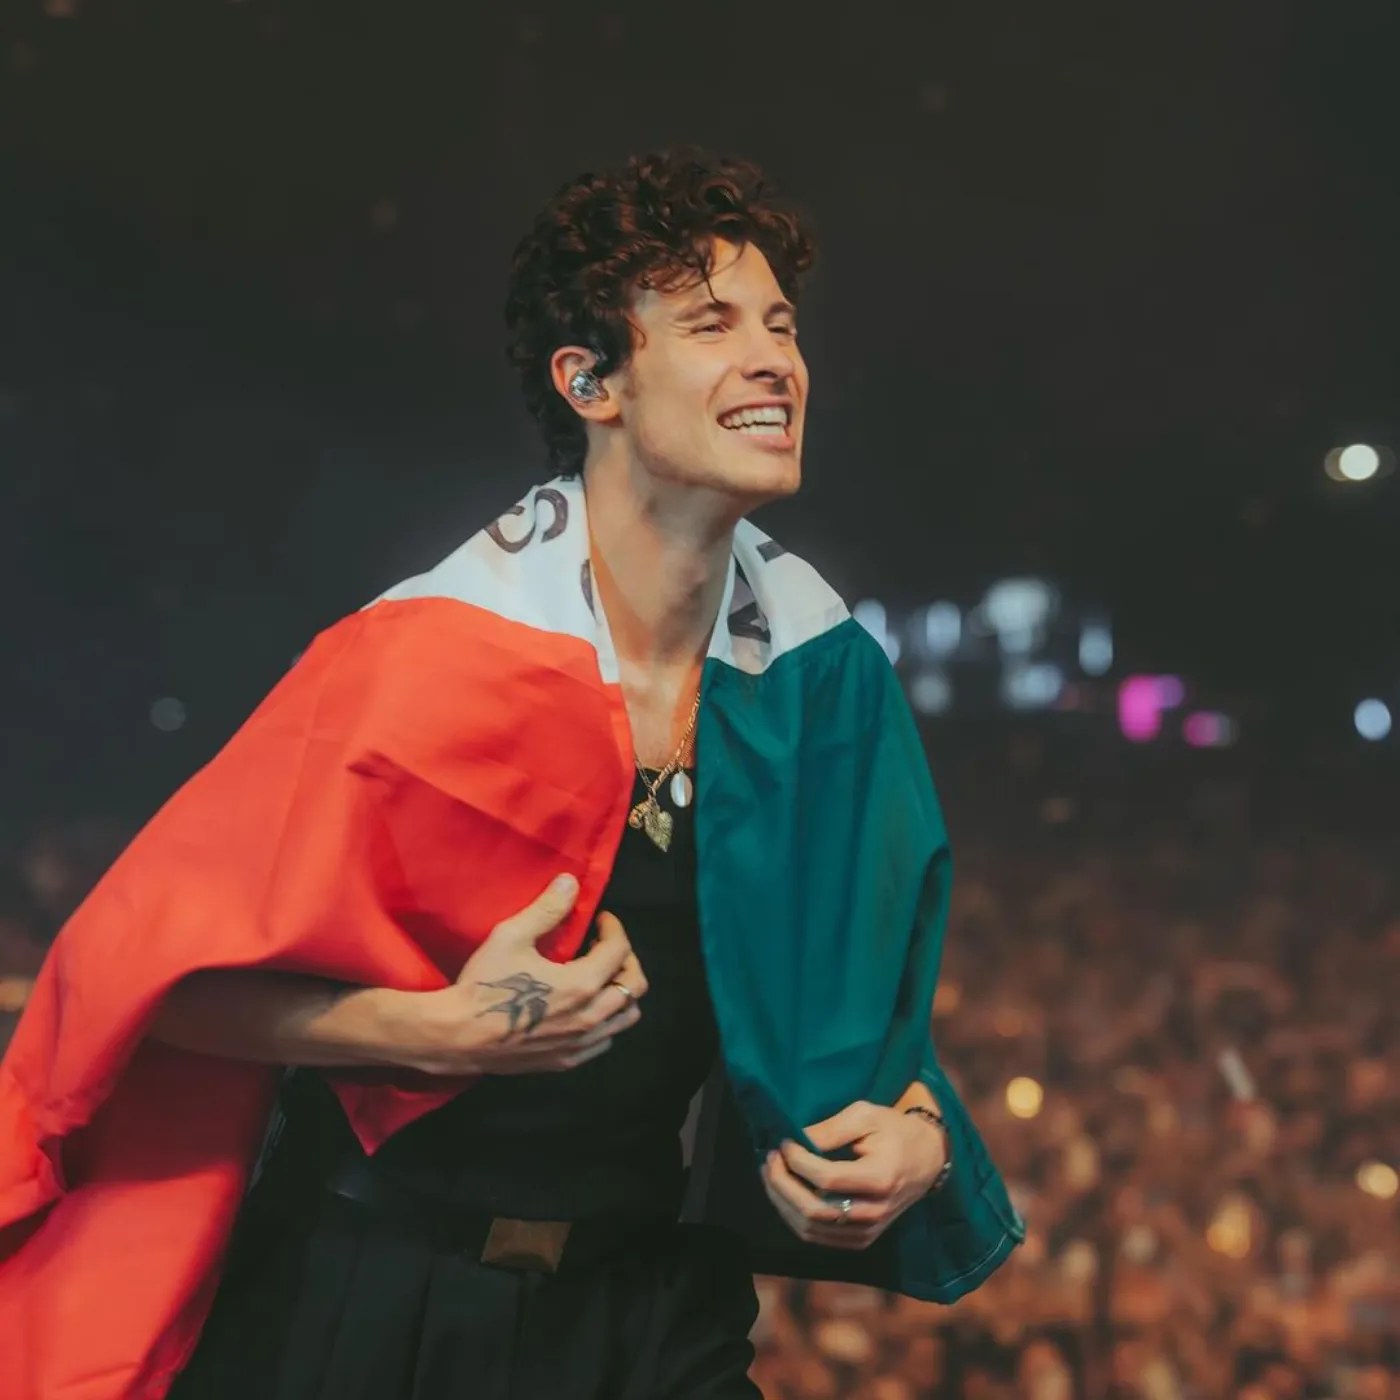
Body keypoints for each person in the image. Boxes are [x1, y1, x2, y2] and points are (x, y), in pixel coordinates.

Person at [0, 150, 1023, 1400]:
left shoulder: (824, 682)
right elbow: (144, 989)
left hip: (650, 1307)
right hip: (365, 1290)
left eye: (780, 324)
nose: (774, 359)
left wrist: (915, 1138)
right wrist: (433, 1030)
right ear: (588, 380)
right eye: (710, 324)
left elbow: (862, 1022)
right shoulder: (416, 657)